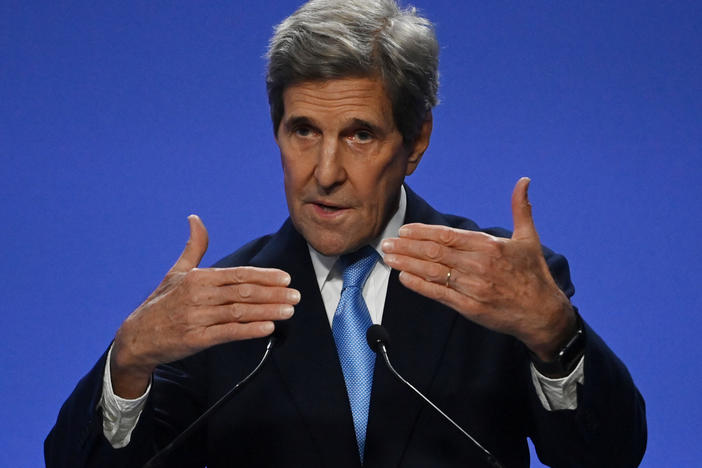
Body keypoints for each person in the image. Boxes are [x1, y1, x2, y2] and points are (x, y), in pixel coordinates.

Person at [45, 0, 646, 466]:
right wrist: (128, 363)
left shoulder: (503, 286)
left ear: (416, 142)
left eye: (360, 134)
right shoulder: (218, 311)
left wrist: (557, 337)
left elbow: (607, 458)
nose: (325, 173)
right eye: (303, 131)